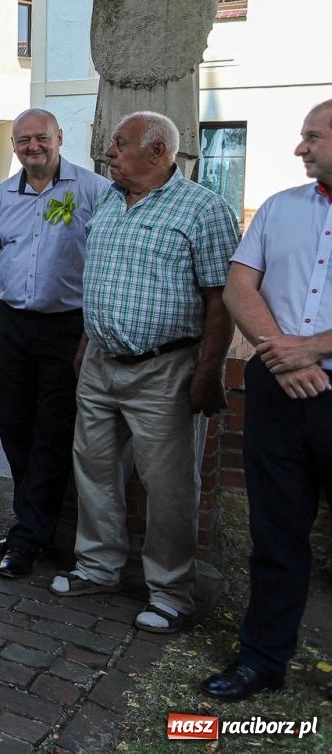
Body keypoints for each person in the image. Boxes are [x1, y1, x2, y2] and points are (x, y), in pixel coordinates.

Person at [50, 111, 238, 635]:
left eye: (120, 144)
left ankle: (171, 592)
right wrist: (87, 343)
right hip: (101, 363)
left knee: (170, 485)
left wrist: (208, 373)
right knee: (94, 468)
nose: (109, 152)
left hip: (165, 368)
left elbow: (221, 301)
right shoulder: (110, 199)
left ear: (159, 152)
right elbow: (101, 280)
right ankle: (97, 567)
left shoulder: (203, 210)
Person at [198, 100, 332, 700]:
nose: (299, 148)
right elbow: (238, 286)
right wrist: (283, 352)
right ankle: (261, 660)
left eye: (312, 136)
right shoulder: (281, 208)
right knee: (275, 535)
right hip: (279, 394)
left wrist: (314, 347)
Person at [0, 108, 112, 579]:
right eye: (23, 140)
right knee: (14, 428)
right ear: (14, 145)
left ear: (60, 137)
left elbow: (107, 256)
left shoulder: (93, 190)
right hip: (13, 325)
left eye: (41, 138)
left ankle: (29, 537)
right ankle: (31, 524)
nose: (32, 147)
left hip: (67, 328)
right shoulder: (0, 197)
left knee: (53, 432)